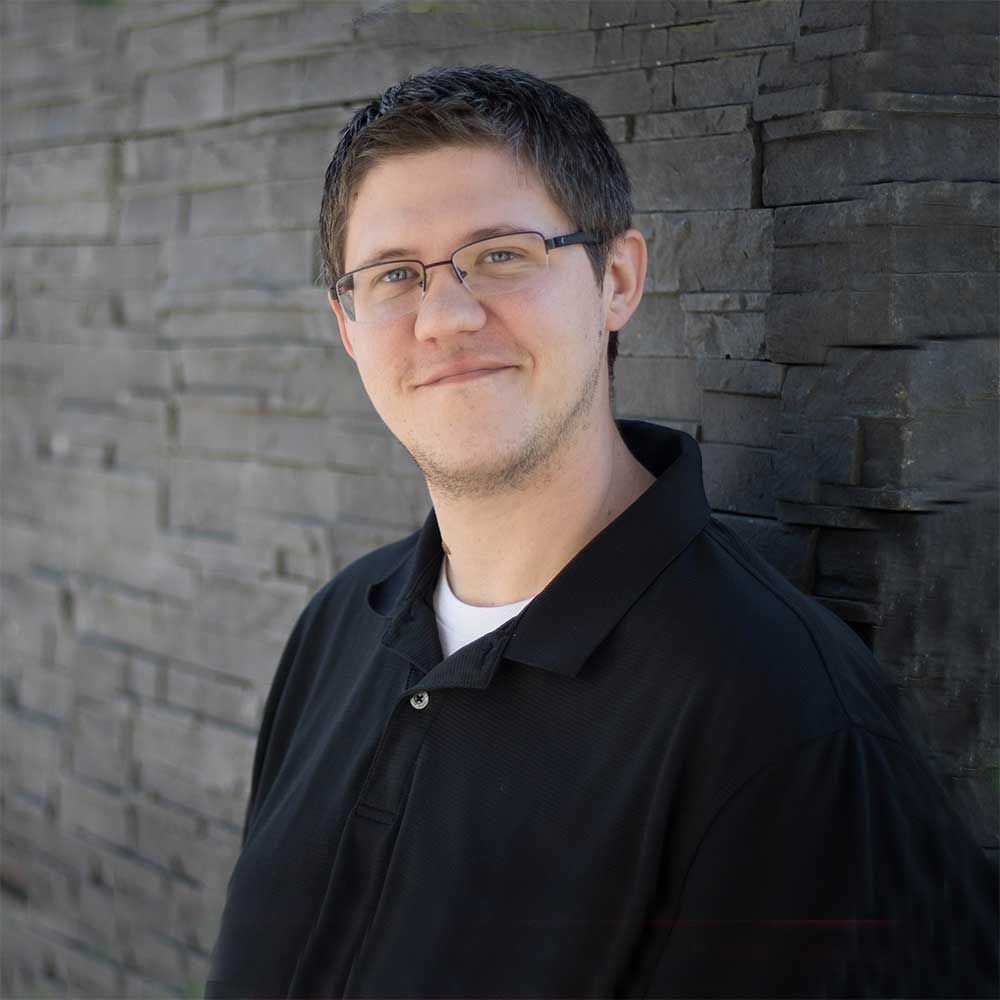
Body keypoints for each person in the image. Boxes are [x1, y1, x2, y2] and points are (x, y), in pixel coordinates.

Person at [205, 65, 997, 999]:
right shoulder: (337, 627)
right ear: (348, 325)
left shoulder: (788, 721)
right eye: (394, 276)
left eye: (501, 254)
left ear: (616, 280)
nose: (445, 317)